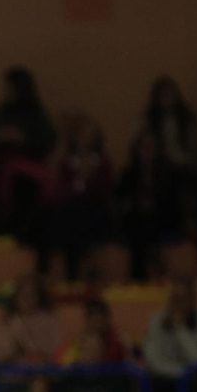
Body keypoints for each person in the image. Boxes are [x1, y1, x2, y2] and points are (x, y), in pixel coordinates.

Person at [0, 67, 57, 238]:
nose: (7, 92)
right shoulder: (0, 112)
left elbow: (48, 142)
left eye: (10, 88)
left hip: (28, 166)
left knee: (22, 186)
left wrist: (23, 139)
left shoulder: (37, 114)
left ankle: (19, 231)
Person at [41, 116, 113, 282]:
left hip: (95, 210)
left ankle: (85, 269)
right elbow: (62, 191)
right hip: (71, 211)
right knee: (64, 215)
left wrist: (87, 181)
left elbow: (104, 192)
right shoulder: (67, 163)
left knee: (84, 215)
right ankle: (69, 270)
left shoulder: (102, 163)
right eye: (82, 134)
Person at [114, 130, 182, 282]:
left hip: (162, 221)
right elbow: (121, 201)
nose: (147, 152)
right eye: (143, 148)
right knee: (140, 224)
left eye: (151, 148)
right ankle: (144, 273)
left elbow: (173, 205)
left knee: (146, 223)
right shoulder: (129, 175)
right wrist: (138, 204)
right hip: (136, 222)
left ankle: (139, 277)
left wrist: (153, 205)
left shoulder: (167, 175)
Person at [0, 274, 64, 365]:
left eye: (31, 294)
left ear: (39, 297)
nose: (25, 298)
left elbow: (51, 354)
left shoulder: (49, 322)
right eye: (21, 293)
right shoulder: (7, 322)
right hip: (8, 376)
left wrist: (23, 340)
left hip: (39, 375)